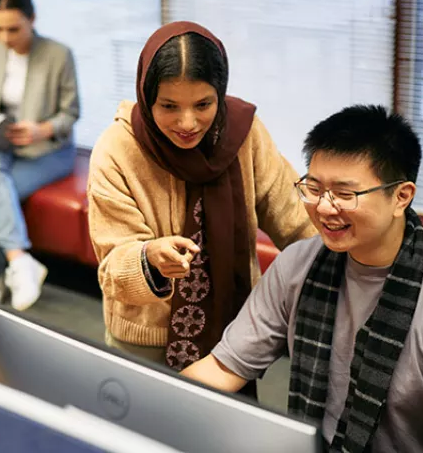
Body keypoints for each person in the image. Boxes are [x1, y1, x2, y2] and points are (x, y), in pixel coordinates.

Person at [182, 105, 423, 452]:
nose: (324, 208)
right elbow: (223, 369)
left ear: (401, 197)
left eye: (344, 194)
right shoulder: (297, 265)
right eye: (314, 187)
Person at [88, 21, 314, 372]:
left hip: (232, 332)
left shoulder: (242, 132)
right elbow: (112, 268)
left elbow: (294, 216)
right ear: (147, 98)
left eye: (203, 104)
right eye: (169, 106)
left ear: (220, 93)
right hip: (145, 341)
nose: (188, 122)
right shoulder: (117, 149)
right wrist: (149, 258)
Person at [0, 0, 80, 316]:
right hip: (4, 144)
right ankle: (20, 262)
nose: (4, 38)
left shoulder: (59, 55)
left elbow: (71, 113)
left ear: (32, 19)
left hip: (49, 150)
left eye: (13, 29)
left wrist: (41, 129)